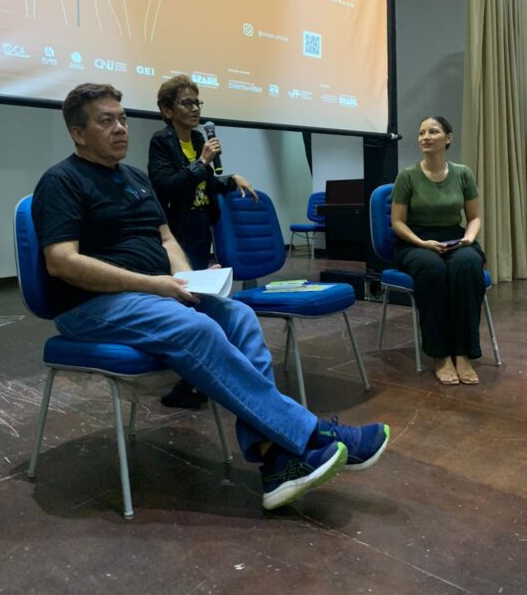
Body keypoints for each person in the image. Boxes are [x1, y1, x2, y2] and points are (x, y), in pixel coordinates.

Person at [32, 83, 389, 511]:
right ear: (78, 133)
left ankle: (274, 460)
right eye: (106, 121)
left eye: (122, 118)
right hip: (89, 307)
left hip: (151, 296)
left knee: (239, 316)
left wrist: (188, 280)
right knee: (196, 327)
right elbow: (62, 262)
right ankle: (311, 432)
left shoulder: (135, 179)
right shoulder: (61, 181)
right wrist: (153, 284)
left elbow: (166, 239)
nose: (120, 128)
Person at [148, 74, 257, 408]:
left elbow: (205, 183)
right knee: (187, 301)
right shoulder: (161, 141)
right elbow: (166, 186)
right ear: (168, 110)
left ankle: (196, 380)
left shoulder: (197, 138)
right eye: (187, 103)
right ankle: (189, 379)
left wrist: (230, 179)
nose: (195, 109)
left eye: (197, 103)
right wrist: (203, 162)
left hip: (199, 227)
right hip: (176, 232)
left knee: (200, 298)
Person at [391, 116, 486, 386]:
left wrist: (468, 238)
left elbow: (474, 217)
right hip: (415, 241)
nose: (426, 137)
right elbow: (397, 222)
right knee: (432, 269)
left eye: (433, 132)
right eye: (422, 132)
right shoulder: (407, 176)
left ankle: (463, 353)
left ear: (448, 138)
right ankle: (440, 354)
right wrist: (422, 243)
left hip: (455, 237)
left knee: (467, 265)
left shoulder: (463, 173)